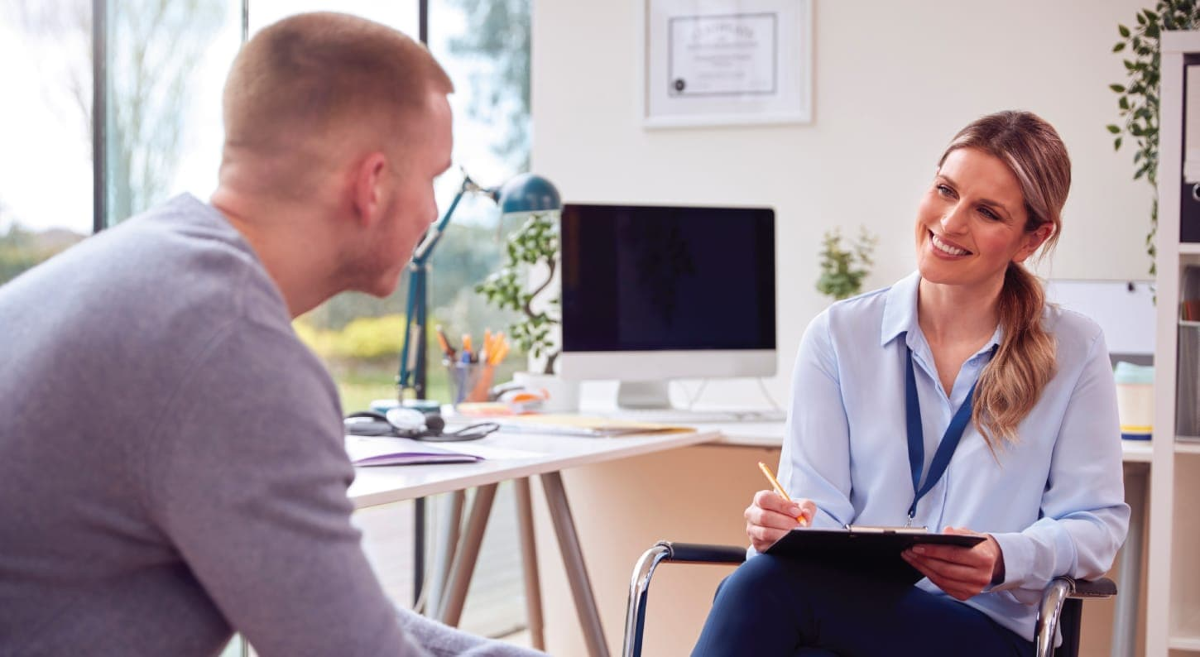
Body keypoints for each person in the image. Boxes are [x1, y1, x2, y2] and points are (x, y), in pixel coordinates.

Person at [0, 12, 540, 657]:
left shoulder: (140, 269)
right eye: (433, 177)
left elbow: (324, 606)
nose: (432, 210)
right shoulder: (232, 353)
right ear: (372, 184)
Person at [691, 111, 1130, 657]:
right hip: (852, 615)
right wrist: (788, 525)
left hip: (985, 632)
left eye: (987, 212)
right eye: (946, 190)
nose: (950, 222)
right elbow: (817, 508)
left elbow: (1096, 525)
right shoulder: (839, 336)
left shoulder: (1074, 349)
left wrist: (1003, 557)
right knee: (777, 607)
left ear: (1032, 238)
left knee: (758, 590)